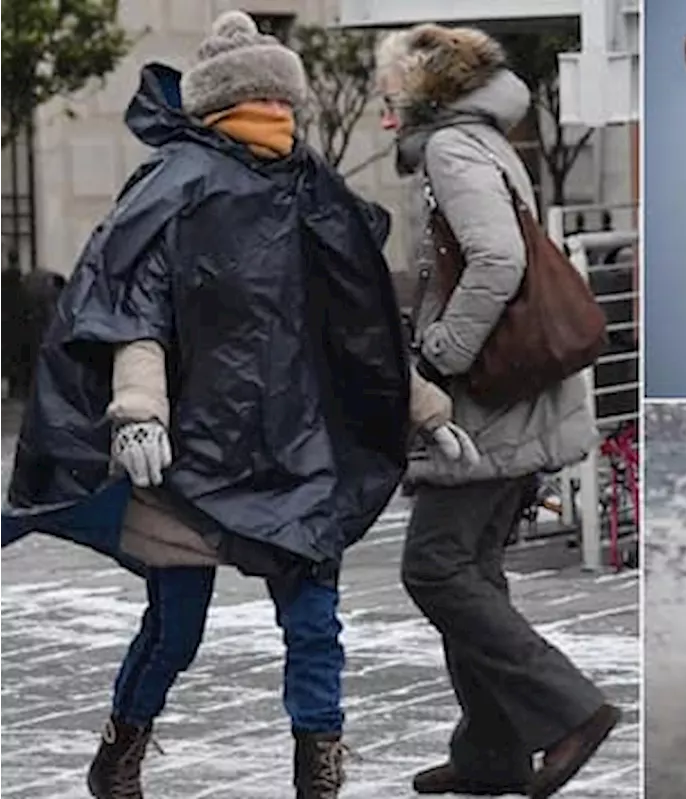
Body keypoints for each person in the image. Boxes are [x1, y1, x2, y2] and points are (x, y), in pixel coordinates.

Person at [2, 11, 477, 799]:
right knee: (178, 620)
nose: (280, 116)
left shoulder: (313, 188)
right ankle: (121, 747)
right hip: (197, 451)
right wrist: (137, 407)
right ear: (235, 101)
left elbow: (361, 327)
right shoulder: (178, 183)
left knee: (313, 622)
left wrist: (425, 409)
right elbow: (132, 305)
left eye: (282, 102)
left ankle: (316, 773)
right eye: (268, 101)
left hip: (300, 443)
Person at [374, 23, 621, 799]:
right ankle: (489, 753)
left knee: (435, 566)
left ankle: (570, 710)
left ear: (425, 93)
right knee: (472, 568)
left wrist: (441, 350)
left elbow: (499, 259)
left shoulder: (452, 150)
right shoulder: (485, 141)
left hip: (489, 398)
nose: (383, 108)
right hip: (516, 391)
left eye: (391, 93)